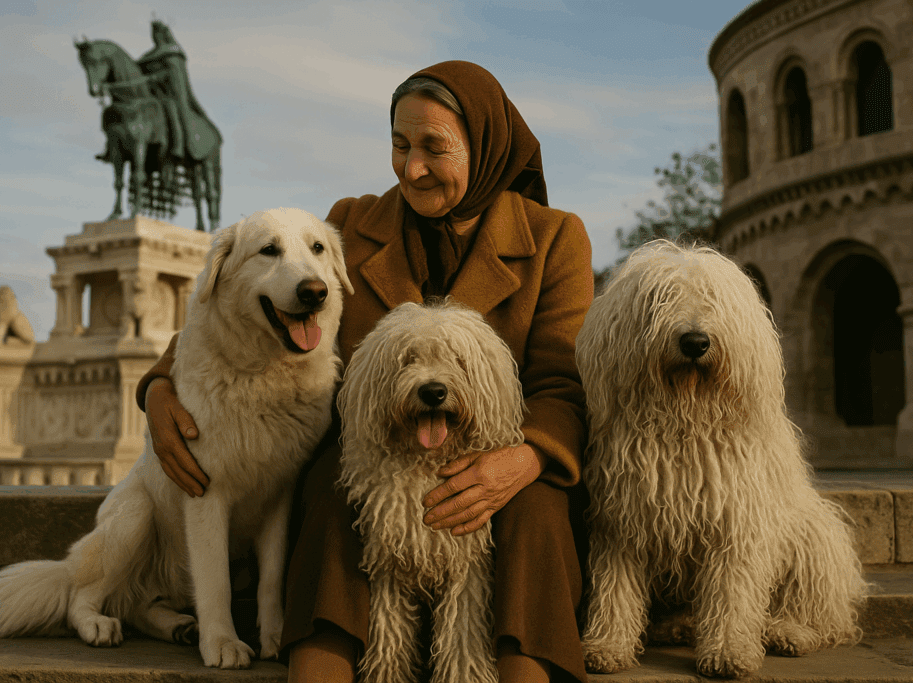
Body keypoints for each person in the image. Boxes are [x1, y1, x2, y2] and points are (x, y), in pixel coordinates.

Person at [137, 60, 593, 683]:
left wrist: (525, 457)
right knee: (330, 489)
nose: (412, 168)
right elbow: (241, 309)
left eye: (434, 147)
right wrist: (161, 384)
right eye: (400, 146)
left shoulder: (555, 238)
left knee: (537, 507)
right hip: (370, 450)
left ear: (485, 145)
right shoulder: (350, 223)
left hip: (497, 454)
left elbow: (561, 382)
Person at [138, 20, 221, 161]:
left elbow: (174, 75)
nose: (155, 37)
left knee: (171, 109)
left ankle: (178, 144)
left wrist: (157, 77)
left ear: (163, 34)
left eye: (157, 33)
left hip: (168, 95)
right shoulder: (147, 56)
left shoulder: (173, 53)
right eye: (153, 34)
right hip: (150, 95)